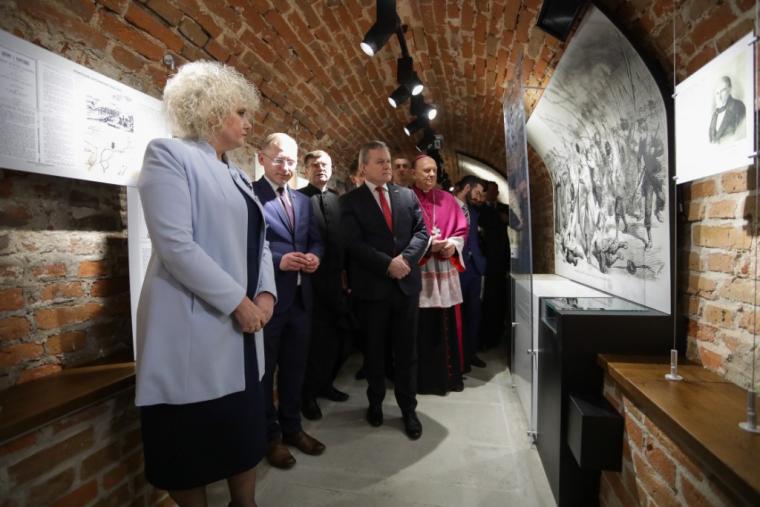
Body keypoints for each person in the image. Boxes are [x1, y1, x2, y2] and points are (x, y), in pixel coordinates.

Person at [136, 61, 275, 506]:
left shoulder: (237, 174)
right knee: (187, 443)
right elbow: (175, 245)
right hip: (193, 324)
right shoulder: (169, 155)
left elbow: (261, 242)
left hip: (243, 327)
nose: (248, 123)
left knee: (242, 432)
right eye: (240, 112)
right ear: (211, 110)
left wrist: (266, 294)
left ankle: (245, 503)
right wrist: (239, 302)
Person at [341, 140, 429, 439]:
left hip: (405, 287)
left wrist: (405, 260)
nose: (387, 166)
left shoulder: (406, 195)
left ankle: (408, 409)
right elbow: (353, 243)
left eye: (388, 161)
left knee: (407, 352)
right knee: (375, 352)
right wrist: (386, 264)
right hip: (372, 289)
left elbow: (422, 232)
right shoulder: (350, 201)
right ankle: (375, 403)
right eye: (380, 162)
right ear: (364, 167)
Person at [252, 133, 325, 469]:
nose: (285, 167)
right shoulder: (251, 195)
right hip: (268, 300)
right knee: (265, 372)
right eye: (279, 159)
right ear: (262, 158)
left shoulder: (302, 201)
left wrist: (315, 257)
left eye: (291, 161)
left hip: (300, 298)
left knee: (295, 368)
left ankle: (293, 428)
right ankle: (271, 437)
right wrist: (280, 260)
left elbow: (315, 240)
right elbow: (247, 245)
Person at [299, 150, 350, 421]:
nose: (320, 168)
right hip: (310, 282)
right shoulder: (299, 199)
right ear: (306, 169)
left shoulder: (336, 200)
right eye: (315, 164)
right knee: (311, 342)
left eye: (325, 164)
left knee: (334, 339)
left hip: (336, 282)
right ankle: (307, 395)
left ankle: (325, 383)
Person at [412, 155, 468, 395]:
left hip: (444, 269)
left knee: (446, 323)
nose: (431, 174)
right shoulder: (406, 198)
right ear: (414, 173)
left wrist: (453, 246)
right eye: (426, 170)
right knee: (420, 326)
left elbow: (461, 230)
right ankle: (422, 380)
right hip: (420, 270)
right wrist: (427, 247)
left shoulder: (448, 199)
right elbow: (400, 235)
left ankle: (448, 378)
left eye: (434, 170)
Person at [453, 175, 488, 370]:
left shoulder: (474, 211)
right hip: (456, 268)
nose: (480, 197)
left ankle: (470, 353)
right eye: (477, 193)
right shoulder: (449, 205)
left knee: (474, 314)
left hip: (475, 268)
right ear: (467, 188)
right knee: (456, 315)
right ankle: (457, 358)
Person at [479, 181, 511, 350]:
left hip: (501, 259)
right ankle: (484, 336)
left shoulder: (504, 208)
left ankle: (497, 334)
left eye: (496, 190)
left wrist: (509, 219)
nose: (494, 193)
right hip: (485, 258)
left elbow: (519, 224)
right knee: (486, 300)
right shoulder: (479, 208)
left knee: (499, 298)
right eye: (491, 190)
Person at [708, 76, 746, 144]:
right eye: (717, 93)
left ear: (730, 89)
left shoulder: (739, 107)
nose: (719, 97)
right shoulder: (714, 114)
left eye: (723, 91)